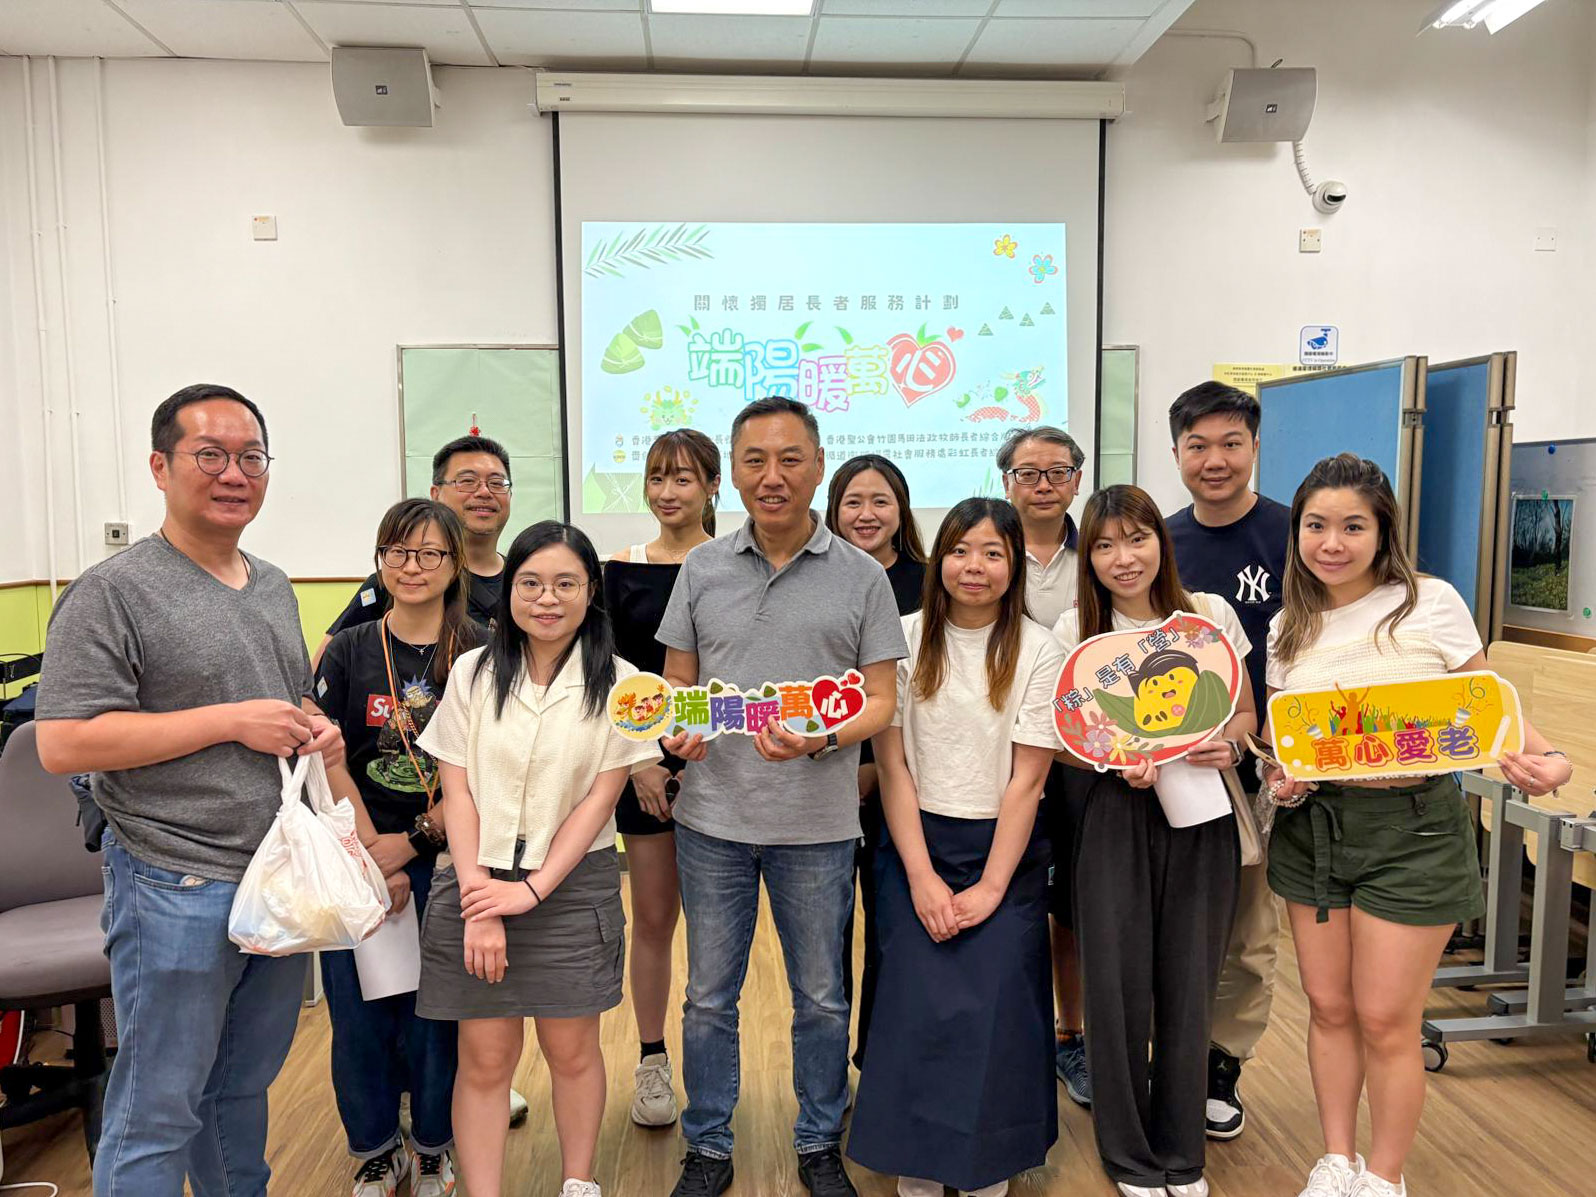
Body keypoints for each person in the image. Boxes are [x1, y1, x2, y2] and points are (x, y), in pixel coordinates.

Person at [34, 383, 343, 1196]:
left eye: (251, 456)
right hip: (173, 878)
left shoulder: (271, 583)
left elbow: (277, 697)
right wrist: (231, 721)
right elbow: (64, 742)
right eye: (210, 454)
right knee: (158, 1108)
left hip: (273, 877)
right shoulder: (112, 590)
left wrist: (314, 725)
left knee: (239, 1089)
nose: (234, 473)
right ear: (159, 466)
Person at [1261, 455, 1571, 1197]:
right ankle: (1336, 1159)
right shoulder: (1285, 626)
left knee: (1386, 1018)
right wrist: (1281, 777)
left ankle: (1384, 1175)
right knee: (1329, 1007)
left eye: (1352, 526)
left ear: (1383, 531)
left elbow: (1485, 705)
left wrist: (1549, 758)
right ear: (1297, 532)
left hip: (1416, 829)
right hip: (1315, 831)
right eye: (1316, 525)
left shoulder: (1429, 602)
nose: (1332, 543)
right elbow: (1282, 744)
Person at [657, 397, 908, 1197]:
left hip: (818, 826)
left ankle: (819, 1140)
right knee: (707, 998)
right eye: (755, 460)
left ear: (818, 464)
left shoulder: (863, 576)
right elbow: (678, 687)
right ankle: (707, 1144)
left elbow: (881, 701)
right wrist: (679, 731)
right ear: (732, 471)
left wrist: (822, 738)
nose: (773, 476)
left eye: (790, 458)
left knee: (822, 997)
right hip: (712, 821)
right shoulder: (701, 567)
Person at [413, 522, 660, 1197]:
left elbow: (600, 801)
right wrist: (480, 900)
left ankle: (578, 1183)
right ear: (509, 590)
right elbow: (457, 790)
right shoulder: (472, 672)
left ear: (591, 592)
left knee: (572, 1052)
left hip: (572, 888)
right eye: (530, 583)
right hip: (475, 880)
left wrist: (532, 891)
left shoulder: (624, 684)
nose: (546, 599)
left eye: (564, 584)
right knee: (486, 1059)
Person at [846, 498, 1061, 1197]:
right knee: (914, 1006)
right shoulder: (901, 639)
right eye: (961, 550)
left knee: (996, 1009)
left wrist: (992, 887)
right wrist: (921, 876)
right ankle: (916, 1167)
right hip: (914, 843)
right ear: (939, 559)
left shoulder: (1042, 648)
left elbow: (1028, 781)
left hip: (1006, 851)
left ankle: (984, 1169)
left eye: (994, 553)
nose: (976, 566)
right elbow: (894, 769)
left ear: (1014, 565)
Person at [1054, 484, 1256, 1197]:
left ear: (1160, 543)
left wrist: (1232, 746)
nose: (1123, 557)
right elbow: (1063, 738)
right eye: (1105, 544)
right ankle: (1130, 1155)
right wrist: (1114, 760)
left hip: (1202, 811)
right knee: (1115, 985)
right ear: (1089, 557)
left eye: (1137, 538)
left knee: (1190, 979)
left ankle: (1181, 1150)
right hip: (1114, 812)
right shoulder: (1075, 631)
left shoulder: (1209, 616)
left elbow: (1244, 712)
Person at [313, 498, 483, 1197]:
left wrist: (412, 842)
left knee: (435, 1016)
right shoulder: (349, 648)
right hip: (355, 854)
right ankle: (378, 1150)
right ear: (380, 560)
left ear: (455, 563)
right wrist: (369, 853)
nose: (412, 566)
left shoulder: (482, 650)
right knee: (358, 1016)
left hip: (449, 856)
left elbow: (491, 766)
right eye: (397, 552)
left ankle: (435, 1145)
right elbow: (325, 757)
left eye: (429, 552)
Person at [1163, 381, 1292, 1140]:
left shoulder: (1295, 533)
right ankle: (1164, 1056)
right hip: (1166, 774)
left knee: (1248, 933)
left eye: (1231, 444)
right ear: (1177, 452)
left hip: (1265, 772)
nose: (1215, 460)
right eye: (1198, 446)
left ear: (1254, 447)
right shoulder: (1158, 541)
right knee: (1171, 927)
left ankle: (1221, 1064)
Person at [603, 429, 721, 1128]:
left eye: (683, 478)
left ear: (712, 486)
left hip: (723, 763)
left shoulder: (733, 565)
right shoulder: (618, 569)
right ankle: (652, 1060)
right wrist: (643, 760)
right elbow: (609, 675)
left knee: (717, 930)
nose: (668, 491)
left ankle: (715, 1067)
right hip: (641, 767)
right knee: (652, 918)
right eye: (657, 477)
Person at [996, 425, 1092, 1106]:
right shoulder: (986, 552)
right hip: (999, 758)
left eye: (1057, 471)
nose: (1043, 485)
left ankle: (1071, 1034)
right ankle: (1012, 1033)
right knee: (1008, 895)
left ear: (1077, 480)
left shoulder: (1102, 555)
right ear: (1006, 483)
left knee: (1073, 905)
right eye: (1028, 473)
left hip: (1086, 761)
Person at [823, 453, 927, 1070]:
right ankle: (829, 1071)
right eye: (853, 502)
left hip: (908, 784)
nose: (866, 514)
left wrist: (878, 764)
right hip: (823, 778)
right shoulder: (817, 580)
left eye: (880, 501)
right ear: (833, 510)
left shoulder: (933, 581)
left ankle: (881, 1063)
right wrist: (850, 758)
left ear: (901, 509)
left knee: (894, 930)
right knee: (827, 939)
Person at [313, 434, 514, 667]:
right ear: (435, 494)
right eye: (467, 481)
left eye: (497, 483)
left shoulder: (523, 583)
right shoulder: (393, 583)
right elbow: (323, 667)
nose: (484, 492)